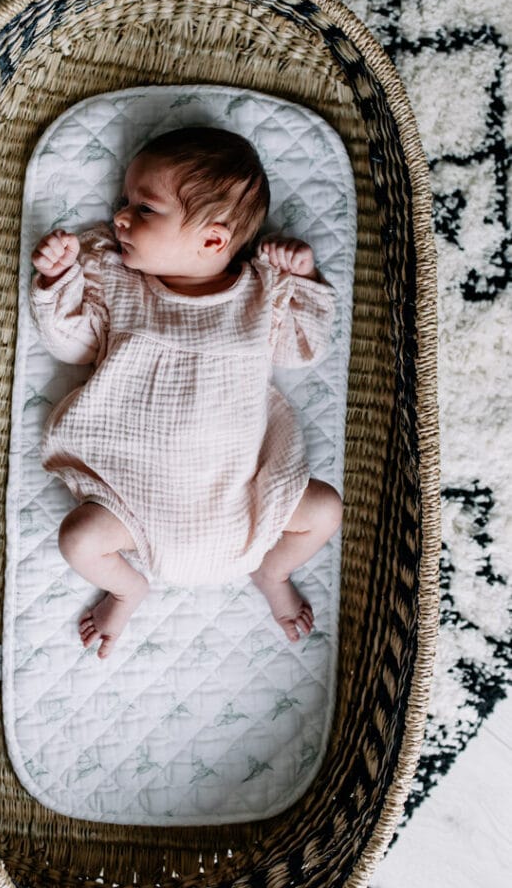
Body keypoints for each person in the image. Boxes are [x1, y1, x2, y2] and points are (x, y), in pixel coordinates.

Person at [30, 126, 342, 658]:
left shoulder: (260, 292)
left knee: (326, 508)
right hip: (134, 504)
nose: (119, 217)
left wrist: (304, 279)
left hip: (244, 503)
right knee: (78, 540)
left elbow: (304, 348)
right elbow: (72, 345)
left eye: (144, 209)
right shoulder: (117, 280)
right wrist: (59, 279)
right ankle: (127, 588)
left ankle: (274, 571)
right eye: (123, 202)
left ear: (214, 240)